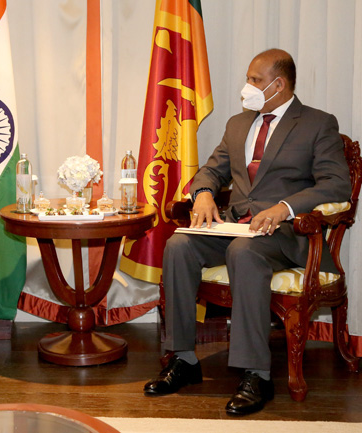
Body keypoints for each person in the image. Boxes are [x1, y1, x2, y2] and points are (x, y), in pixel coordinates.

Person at [143, 49, 351, 415]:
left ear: (279, 84)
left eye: (255, 80)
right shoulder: (239, 124)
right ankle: (184, 360)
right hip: (235, 226)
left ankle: (257, 374)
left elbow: (336, 185)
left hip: (284, 234)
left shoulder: (318, 123)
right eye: (249, 78)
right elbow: (211, 170)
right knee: (179, 245)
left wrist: (284, 208)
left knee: (244, 252)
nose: (247, 86)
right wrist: (204, 194)